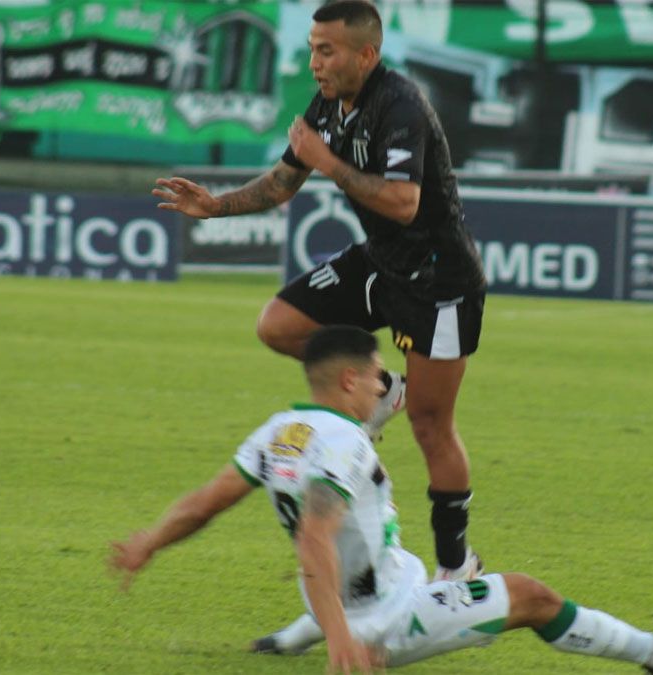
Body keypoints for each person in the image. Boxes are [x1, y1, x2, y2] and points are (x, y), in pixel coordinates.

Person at [109, 325, 653, 674]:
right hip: (386, 613)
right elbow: (314, 539)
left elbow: (208, 501)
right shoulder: (346, 444)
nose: (387, 385)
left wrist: (148, 544)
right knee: (532, 596)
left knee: (365, 575)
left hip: (371, 582)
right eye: (380, 374)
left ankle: (301, 634)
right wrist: (347, 638)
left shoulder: (278, 430)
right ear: (350, 380)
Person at [154, 0, 484, 583]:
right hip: (381, 263)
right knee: (278, 325)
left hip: (439, 281)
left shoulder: (400, 105)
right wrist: (216, 206)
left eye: (326, 50)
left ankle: (456, 565)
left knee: (432, 426)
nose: (315, 62)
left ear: (367, 53)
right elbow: (285, 180)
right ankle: (384, 391)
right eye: (311, 49)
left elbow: (405, 204)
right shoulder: (329, 102)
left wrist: (328, 162)